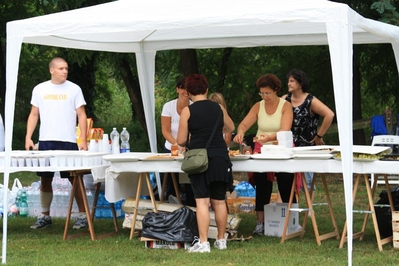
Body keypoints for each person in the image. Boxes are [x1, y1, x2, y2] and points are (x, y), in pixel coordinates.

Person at [25, 57, 88, 229]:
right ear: (51, 70)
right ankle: (45, 216)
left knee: (75, 179)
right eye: (61, 68)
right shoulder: (40, 89)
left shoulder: (74, 89)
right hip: (46, 141)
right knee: (45, 179)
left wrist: (83, 139)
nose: (65, 71)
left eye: (66, 68)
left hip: (68, 141)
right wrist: (28, 137)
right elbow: (34, 114)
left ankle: (83, 216)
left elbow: (81, 115)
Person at [177, 74, 235, 253]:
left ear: (188, 92)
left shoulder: (188, 111)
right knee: (219, 201)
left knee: (202, 202)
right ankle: (221, 240)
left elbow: (180, 140)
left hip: (199, 159)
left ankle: (203, 243)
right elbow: (231, 127)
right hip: (220, 158)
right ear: (207, 89)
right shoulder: (218, 107)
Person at [233, 73, 295, 235]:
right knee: (262, 185)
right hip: (262, 150)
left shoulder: (285, 106)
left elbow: (285, 129)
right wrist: (240, 132)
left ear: (275, 90)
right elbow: (245, 123)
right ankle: (260, 223)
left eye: (267, 93)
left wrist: (270, 137)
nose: (264, 96)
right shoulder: (258, 106)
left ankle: (290, 220)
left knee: (286, 183)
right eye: (262, 93)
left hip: (281, 148)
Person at [282, 69, 334, 194]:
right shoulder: (285, 99)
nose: (289, 84)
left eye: (292, 81)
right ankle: (291, 206)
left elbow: (329, 115)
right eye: (288, 81)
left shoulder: (310, 101)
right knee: (287, 179)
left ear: (300, 84)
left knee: (308, 180)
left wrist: (319, 135)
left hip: (307, 147)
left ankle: (309, 211)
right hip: (288, 145)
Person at [160, 77, 192, 203]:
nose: (186, 91)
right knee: (170, 181)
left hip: (189, 149)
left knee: (190, 181)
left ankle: (192, 207)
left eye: (189, 88)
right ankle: (171, 205)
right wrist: (176, 144)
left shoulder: (194, 106)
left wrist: (186, 144)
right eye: (183, 88)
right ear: (177, 89)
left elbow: (194, 130)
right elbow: (165, 130)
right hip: (170, 148)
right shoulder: (168, 106)